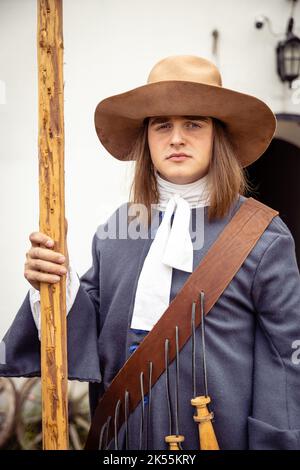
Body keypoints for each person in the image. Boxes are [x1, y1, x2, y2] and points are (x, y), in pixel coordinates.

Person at [1, 55, 300, 450]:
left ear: (218, 135)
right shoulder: (118, 228)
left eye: (194, 123)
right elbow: (90, 331)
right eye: (162, 125)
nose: (176, 138)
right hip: (124, 438)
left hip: (218, 437)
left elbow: (284, 361)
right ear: (147, 139)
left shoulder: (265, 235)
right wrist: (53, 279)